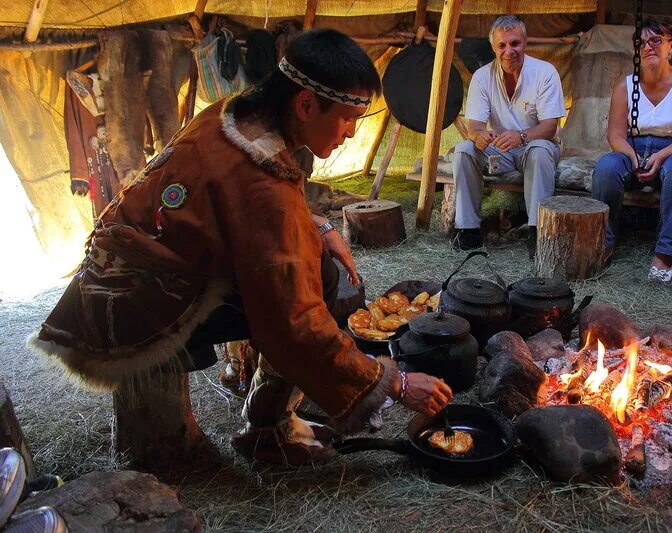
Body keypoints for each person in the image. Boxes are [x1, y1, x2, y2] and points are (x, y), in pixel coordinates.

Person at [28, 29, 452, 465]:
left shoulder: (230, 117)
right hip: (130, 311)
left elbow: (237, 204)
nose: (350, 133)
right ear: (306, 105)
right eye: (347, 119)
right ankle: (270, 431)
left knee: (315, 262)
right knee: (306, 291)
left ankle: (268, 420)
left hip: (111, 282)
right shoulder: (261, 182)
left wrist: (319, 225)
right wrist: (393, 382)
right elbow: (295, 323)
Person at [592, 20, 672, 282]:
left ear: (671, 45)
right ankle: (603, 243)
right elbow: (615, 135)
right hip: (632, 147)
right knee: (607, 166)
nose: (648, 47)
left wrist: (661, 156)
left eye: (655, 40)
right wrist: (631, 157)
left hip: (671, 149)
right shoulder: (625, 86)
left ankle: (665, 254)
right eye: (641, 43)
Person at [452, 15, 566, 254]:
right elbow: (474, 127)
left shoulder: (545, 72)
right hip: (501, 150)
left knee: (539, 150)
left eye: (515, 43)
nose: (509, 51)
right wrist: (479, 136)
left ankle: (537, 231)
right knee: (464, 150)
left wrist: (521, 136)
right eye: (502, 45)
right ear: (493, 47)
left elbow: (550, 127)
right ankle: (468, 230)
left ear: (525, 42)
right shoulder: (482, 77)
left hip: (536, 145)